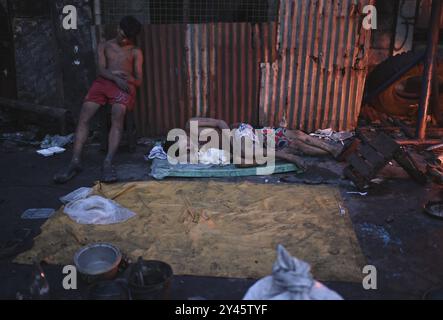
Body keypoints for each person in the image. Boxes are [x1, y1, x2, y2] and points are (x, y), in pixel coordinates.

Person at [54, 16, 143, 183]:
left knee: (118, 114)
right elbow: (101, 70)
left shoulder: (135, 52)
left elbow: (139, 81)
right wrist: (114, 77)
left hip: (124, 85)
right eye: (121, 34)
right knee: (84, 115)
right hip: (103, 83)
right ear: (117, 28)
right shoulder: (105, 45)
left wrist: (127, 78)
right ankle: (75, 161)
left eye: (126, 37)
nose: (123, 39)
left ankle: (108, 162)